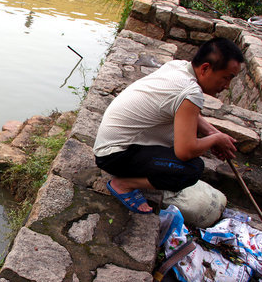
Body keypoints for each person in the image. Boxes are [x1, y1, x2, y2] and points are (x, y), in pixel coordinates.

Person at [93, 38, 244, 214]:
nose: (226, 86)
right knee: (191, 169)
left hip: (111, 146)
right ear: (205, 68)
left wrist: (212, 133)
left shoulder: (179, 67)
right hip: (114, 155)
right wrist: (215, 139)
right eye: (226, 78)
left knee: (181, 143)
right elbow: (185, 151)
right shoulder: (190, 91)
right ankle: (123, 184)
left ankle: (132, 173)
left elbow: (190, 114)